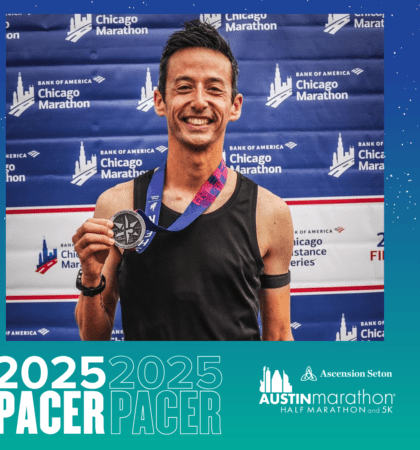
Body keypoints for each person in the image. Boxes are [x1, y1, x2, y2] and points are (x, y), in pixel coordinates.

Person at [73, 20, 294, 341]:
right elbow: (93, 338)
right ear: (160, 101)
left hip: (237, 391)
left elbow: (278, 335)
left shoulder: (270, 214)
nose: (200, 101)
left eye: (215, 88)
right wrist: (91, 276)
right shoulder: (117, 205)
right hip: (149, 389)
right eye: (184, 86)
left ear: (235, 106)